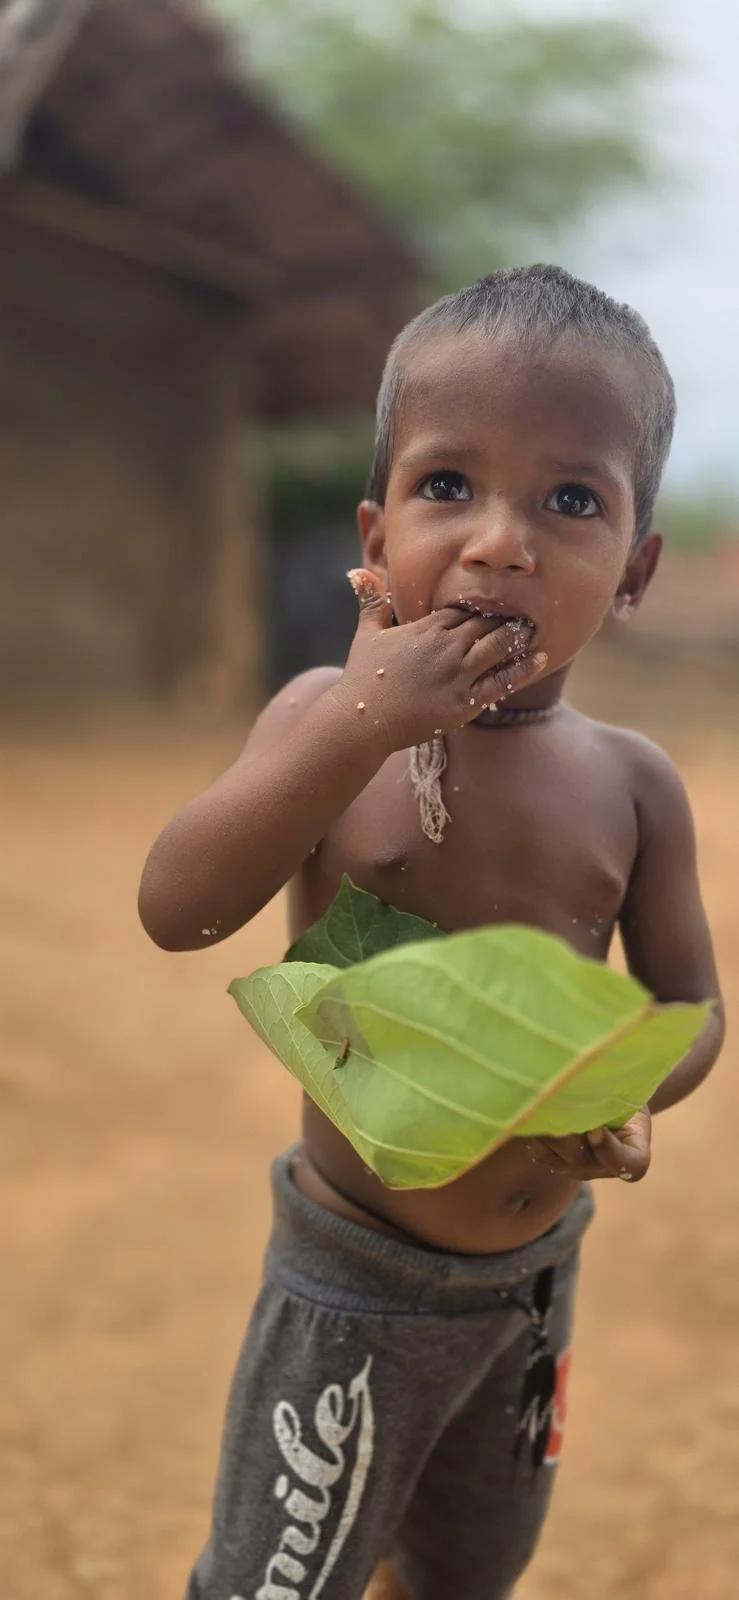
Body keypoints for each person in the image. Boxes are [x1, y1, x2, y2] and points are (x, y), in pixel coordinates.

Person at [138, 265, 724, 1600]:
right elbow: (179, 908)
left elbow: (689, 1005)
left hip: (529, 1280)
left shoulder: (630, 783)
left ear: (632, 569)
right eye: (446, 487)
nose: (498, 542)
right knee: (276, 1583)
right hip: (358, 1279)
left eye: (569, 500)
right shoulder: (319, 724)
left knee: (467, 1571)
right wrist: (363, 720)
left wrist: (631, 1099)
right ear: (375, 526)